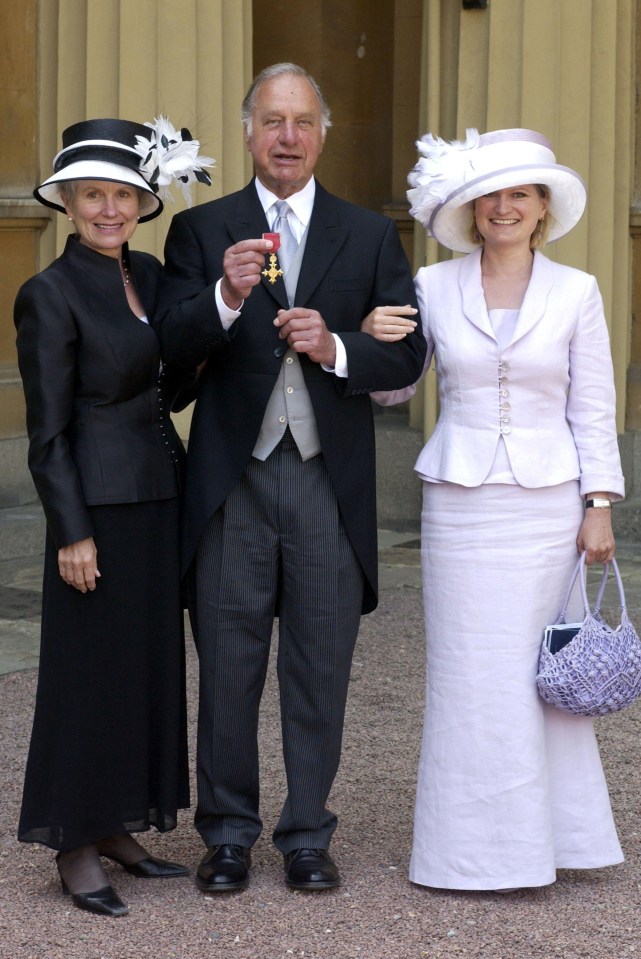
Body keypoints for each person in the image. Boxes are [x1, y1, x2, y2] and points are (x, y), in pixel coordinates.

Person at [156, 62, 426, 892]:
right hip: (232, 483)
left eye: (302, 121)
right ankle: (228, 833)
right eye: (272, 120)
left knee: (319, 665)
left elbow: (408, 349)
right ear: (247, 131)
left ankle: (307, 832)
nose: (287, 136)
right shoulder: (203, 230)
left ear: (321, 133)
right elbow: (167, 349)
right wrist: (226, 300)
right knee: (228, 668)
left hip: (324, 483)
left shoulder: (369, 233)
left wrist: (336, 344)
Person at [362, 127, 625, 891]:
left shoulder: (575, 290)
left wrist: (598, 503)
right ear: (471, 212)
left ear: (541, 208)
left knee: (543, 673)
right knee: (470, 674)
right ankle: (469, 853)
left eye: (519, 195)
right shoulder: (433, 286)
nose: (504, 208)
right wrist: (375, 340)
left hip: (548, 507)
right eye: (490, 198)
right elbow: (394, 390)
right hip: (460, 507)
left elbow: (593, 403)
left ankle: (560, 841)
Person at [14, 117, 212, 916]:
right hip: (95, 509)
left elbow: (165, 388)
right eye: (92, 194)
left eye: (123, 194)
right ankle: (73, 842)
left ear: (142, 202)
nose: (109, 209)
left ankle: (121, 824)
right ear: (65, 202)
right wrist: (71, 530)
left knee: (145, 666)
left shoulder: (154, 277)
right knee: (87, 675)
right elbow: (48, 428)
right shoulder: (48, 294)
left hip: (162, 494)